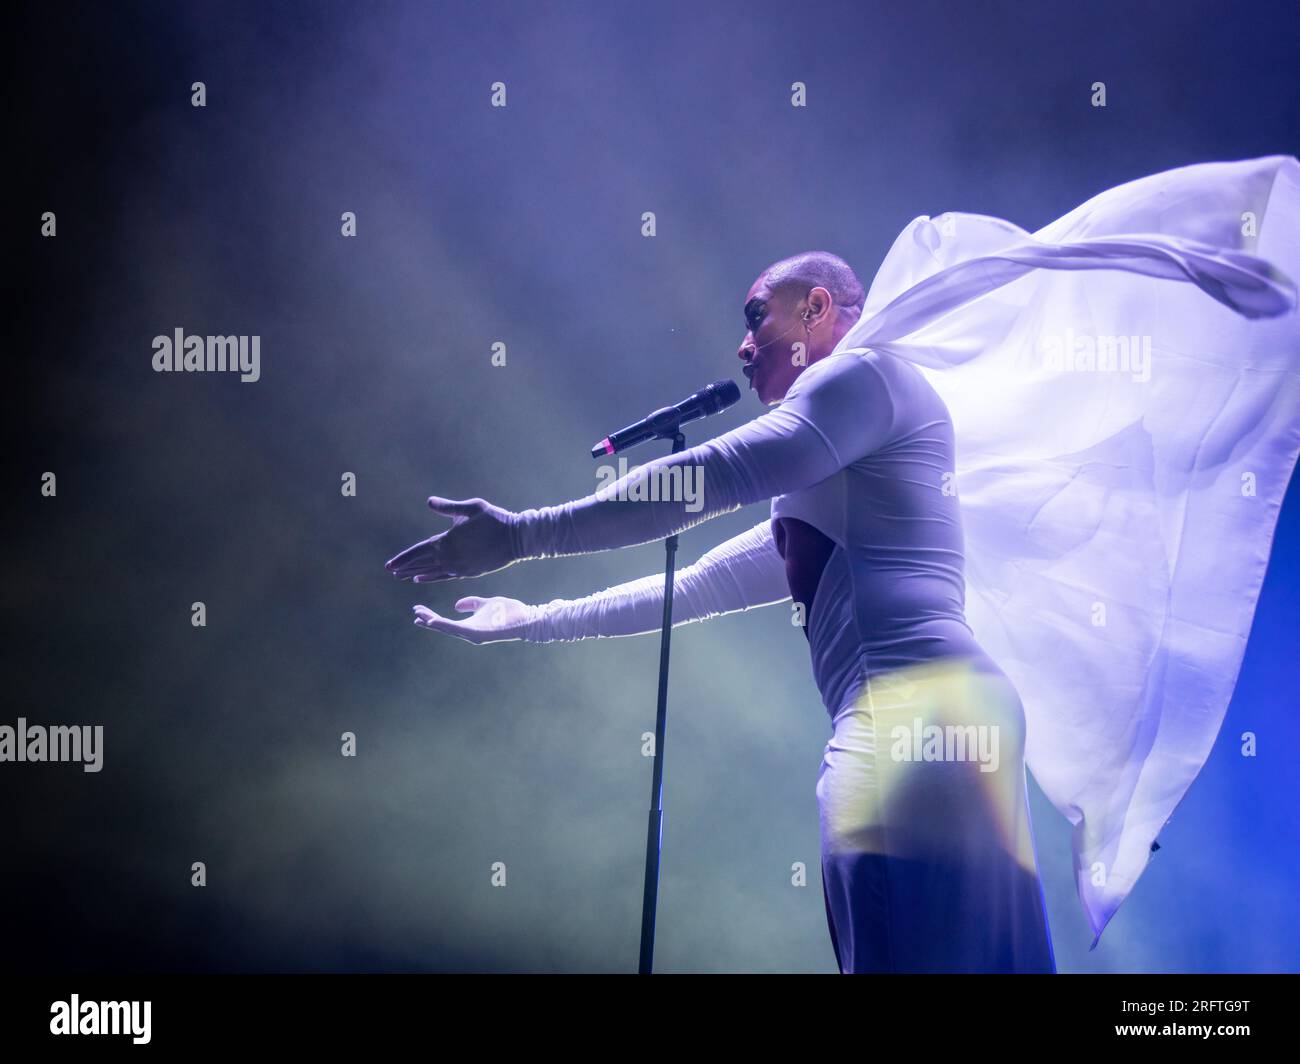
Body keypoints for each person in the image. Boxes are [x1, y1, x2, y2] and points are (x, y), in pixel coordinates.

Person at [386, 155, 1300, 971]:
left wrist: (521, 536)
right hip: (948, 718)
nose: (743, 348)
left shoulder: (864, 383)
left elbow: (709, 475)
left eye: (757, 319)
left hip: (914, 718)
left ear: (817, 310)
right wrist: (530, 618)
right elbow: (693, 587)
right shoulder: (845, 461)